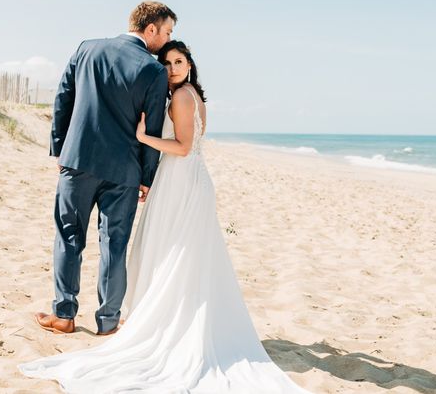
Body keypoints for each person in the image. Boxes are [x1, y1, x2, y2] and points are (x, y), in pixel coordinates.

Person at [19, 41, 311, 393]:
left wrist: (144, 137)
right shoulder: (189, 94)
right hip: (182, 180)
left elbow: (184, 147)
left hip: (181, 181)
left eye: (179, 61)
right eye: (168, 62)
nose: (172, 67)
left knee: (171, 252)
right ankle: (132, 320)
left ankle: (146, 322)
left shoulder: (184, 97)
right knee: (178, 253)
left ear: (190, 65)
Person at [33, 1, 175, 337]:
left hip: (78, 160)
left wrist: (60, 148)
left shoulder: (87, 49)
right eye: (167, 31)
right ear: (150, 28)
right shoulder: (153, 71)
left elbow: (63, 98)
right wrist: (146, 177)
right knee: (115, 245)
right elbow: (151, 129)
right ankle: (108, 322)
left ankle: (64, 316)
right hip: (123, 171)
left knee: (69, 237)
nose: (167, 39)